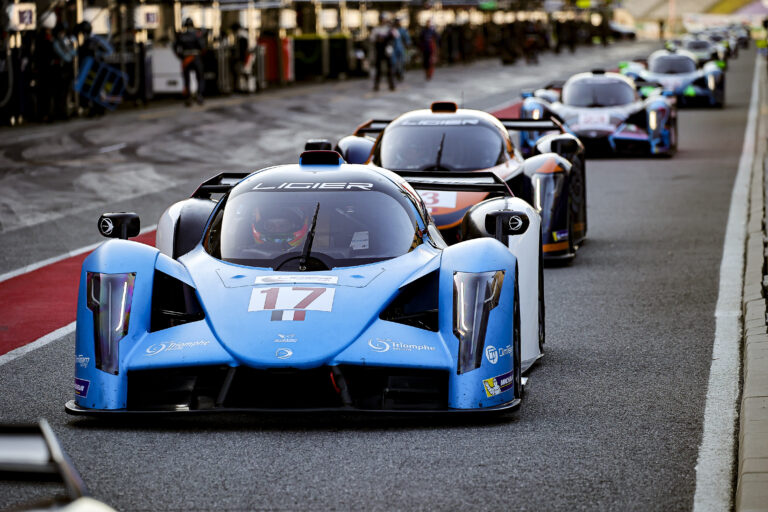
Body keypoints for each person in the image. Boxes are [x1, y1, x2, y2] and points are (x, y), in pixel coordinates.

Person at [174, 18, 205, 105]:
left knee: (186, 79)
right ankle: (199, 95)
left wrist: (180, 56)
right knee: (200, 77)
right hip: (196, 57)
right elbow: (202, 46)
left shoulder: (182, 35)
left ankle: (188, 97)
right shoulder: (197, 34)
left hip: (186, 58)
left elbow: (175, 46)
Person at [370, 13, 396, 91]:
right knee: (378, 69)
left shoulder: (389, 29)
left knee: (390, 68)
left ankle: (391, 84)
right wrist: (378, 39)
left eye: (384, 20)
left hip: (387, 50)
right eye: (381, 20)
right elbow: (372, 39)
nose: (383, 21)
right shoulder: (376, 29)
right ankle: (376, 85)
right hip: (379, 50)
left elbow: (396, 35)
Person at [391, 17, 411, 82]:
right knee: (393, 62)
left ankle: (400, 73)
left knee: (401, 62)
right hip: (393, 48)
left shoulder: (403, 30)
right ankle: (395, 73)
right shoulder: (392, 30)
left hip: (401, 48)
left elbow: (407, 38)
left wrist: (407, 44)